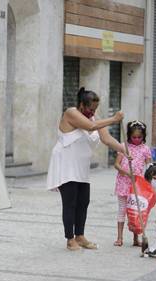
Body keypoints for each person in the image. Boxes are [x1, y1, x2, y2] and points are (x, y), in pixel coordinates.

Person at [47, 87, 127, 251]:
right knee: (70, 203)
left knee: (83, 201)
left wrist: (123, 149)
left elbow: (106, 138)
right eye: (91, 108)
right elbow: (91, 127)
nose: (93, 112)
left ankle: (80, 236)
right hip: (66, 165)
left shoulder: (94, 119)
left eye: (95, 109)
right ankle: (70, 239)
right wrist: (114, 119)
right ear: (82, 105)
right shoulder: (71, 113)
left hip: (81, 167)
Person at [113, 121, 151, 247]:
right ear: (129, 135)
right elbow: (116, 164)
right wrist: (126, 173)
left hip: (137, 185)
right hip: (123, 183)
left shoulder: (145, 149)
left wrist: (151, 178)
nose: (136, 139)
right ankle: (119, 237)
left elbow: (150, 165)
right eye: (134, 137)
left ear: (143, 136)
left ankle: (136, 238)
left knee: (135, 210)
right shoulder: (124, 147)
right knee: (122, 210)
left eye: (139, 137)